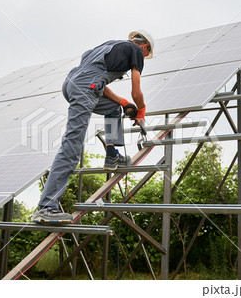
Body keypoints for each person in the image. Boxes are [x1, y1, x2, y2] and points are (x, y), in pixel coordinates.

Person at [32, 30, 154, 224]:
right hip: (86, 87)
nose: (144, 57)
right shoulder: (136, 51)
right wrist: (141, 110)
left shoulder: (105, 47)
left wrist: (122, 102)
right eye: (146, 54)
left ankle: (112, 154)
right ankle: (46, 207)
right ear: (145, 46)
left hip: (74, 83)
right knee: (72, 146)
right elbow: (136, 89)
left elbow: (97, 77)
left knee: (113, 109)